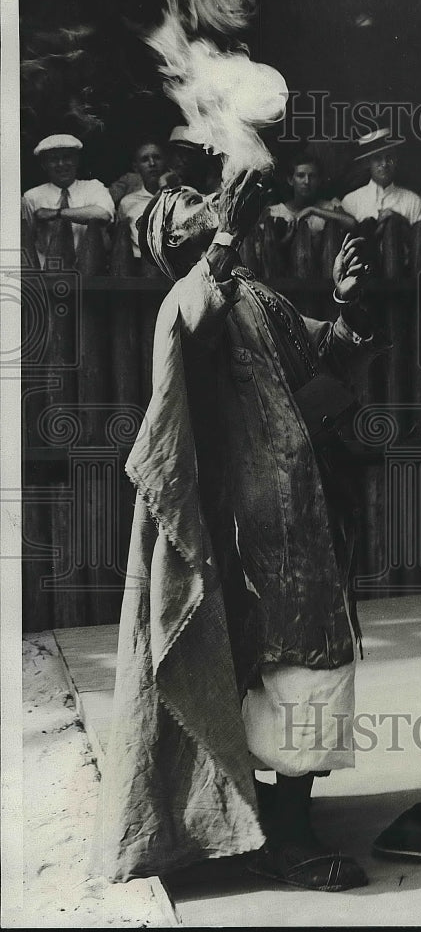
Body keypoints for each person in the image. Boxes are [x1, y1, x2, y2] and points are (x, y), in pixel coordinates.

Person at [97, 170, 382, 893]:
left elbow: (324, 368)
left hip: (301, 502)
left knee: (310, 653)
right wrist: (225, 237)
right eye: (187, 203)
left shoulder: (258, 295)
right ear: (173, 240)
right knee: (289, 656)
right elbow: (189, 328)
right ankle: (286, 838)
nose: (203, 198)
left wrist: (349, 307)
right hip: (250, 512)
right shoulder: (190, 296)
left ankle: (283, 816)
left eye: (202, 196)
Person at [22, 133, 114, 266]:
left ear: (77, 161)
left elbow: (103, 214)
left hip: (89, 271)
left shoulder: (94, 187)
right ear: (44, 165)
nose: (61, 164)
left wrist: (56, 213)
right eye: (53, 159)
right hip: (47, 272)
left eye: (67, 157)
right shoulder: (32, 197)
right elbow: (26, 238)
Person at [263, 152, 356, 246]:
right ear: (290, 180)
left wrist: (312, 210)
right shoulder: (275, 212)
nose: (307, 181)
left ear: (319, 180)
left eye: (312, 176)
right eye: (300, 176)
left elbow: (352, 224)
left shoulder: (329, 206)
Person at [341, 129, 421, 227]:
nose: (384, 164)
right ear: (367, 163)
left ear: (395, 160)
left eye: (389, 158)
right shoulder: (351, 201)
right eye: (377, 158)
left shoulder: (412, 201)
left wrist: (399, 220)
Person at [116, 140, 168, 259]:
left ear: (165, 161)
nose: (152, 163)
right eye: (145, 159)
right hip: (140, 267)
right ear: (136, 167)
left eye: (157, 157)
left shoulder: (184, 194)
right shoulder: (127, 202)